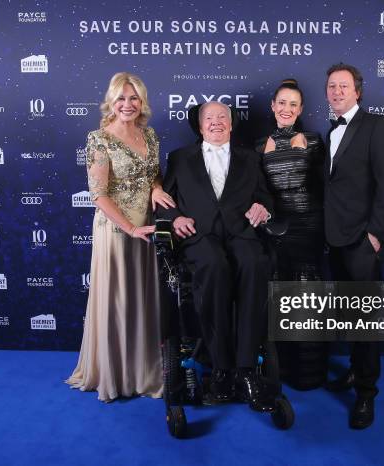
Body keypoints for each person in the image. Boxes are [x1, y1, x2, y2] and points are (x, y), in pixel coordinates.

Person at [66, 72, 175, 402]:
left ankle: (143, 370)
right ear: (110, 102)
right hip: (116, 231)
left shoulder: (150, 135)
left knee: (142, 299)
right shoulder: (99, 138)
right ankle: (116, 375)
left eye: (134, 98)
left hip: (147, 227)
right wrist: (129, 228)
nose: (127, 105)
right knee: (118, 300)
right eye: (121, 99)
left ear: (142, 102)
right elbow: (98, 194)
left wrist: (156, 190)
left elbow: (154, 174)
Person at [159, 101, 275, 411]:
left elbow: (265, 196)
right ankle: (221, 368)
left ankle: (247, 369)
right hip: (199, 235)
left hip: (240, 232)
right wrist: (175, 218)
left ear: (232, 124)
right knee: (214, 264)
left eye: (222, 117)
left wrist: (262, 207)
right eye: (209, 118)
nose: (216, 123)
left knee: (254, 262)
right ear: (199, 126)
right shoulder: (180, 158)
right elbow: (163, 200)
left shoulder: (250, 158)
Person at [323, 63, 384, 428]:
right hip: (335, 238)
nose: (337, 91)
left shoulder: (378, 126)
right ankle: (355, 371)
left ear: (358, 91)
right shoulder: (330, 131)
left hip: (362, 239)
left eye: (344, 86)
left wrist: (376, 234)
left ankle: (367, 395)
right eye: (332, 86)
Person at [255, 79, 328, 389]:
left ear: (301, 110)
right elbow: (256, 191)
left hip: (307, 226)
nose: (286, 109)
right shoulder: (258, 146)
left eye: (293, 104)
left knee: (306, 295)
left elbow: (325, 186)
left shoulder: (314, 140)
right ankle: (279, 367)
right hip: (274, 229)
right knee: (278, 295)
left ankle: (308, 373)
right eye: (281, 103)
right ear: (273, 106)